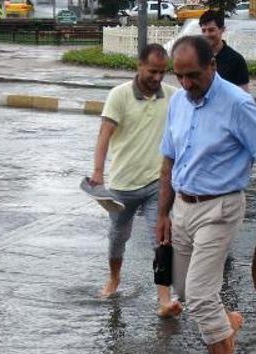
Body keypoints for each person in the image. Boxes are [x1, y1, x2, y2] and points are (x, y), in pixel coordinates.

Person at [156, 35, 256, 354]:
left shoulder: (238, 104)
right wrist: (163, 213)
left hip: (221, 206)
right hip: (182, 206)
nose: (185, 84)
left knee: (198, 295)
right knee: (184, 289)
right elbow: (168, 160)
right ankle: (227, 322)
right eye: (178, 76)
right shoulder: (178, 102)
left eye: (193, 76)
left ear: (212, 65)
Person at [89, 43, 182, 318]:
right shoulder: (119, 95)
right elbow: (104, 134)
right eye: (152, 71)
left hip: (158, 183)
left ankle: (164, 299)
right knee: (118, 237)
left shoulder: (173, 96)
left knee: (161, 239)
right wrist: (97, 173)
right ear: (139, 66)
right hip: (122, 185)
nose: (157, 77)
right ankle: (114, 279)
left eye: (163, 72)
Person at [199, 10, 250, 91]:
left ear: (222, 29)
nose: (206, 34)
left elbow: (244, 95)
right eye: (203, 30)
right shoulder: (197, 57)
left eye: (211, 30)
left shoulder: (236, 60)